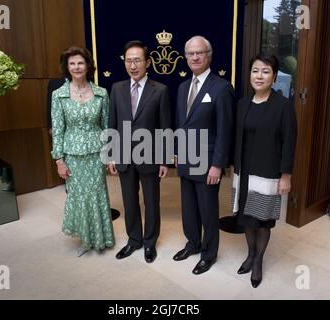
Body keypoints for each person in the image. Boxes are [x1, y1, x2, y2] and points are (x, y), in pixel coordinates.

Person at [231, 53, 297, 288]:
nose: (259, 76)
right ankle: (250, 254)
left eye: (266, 71)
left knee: (262, 220)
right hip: (244, 171)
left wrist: (286, 175)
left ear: (275, 76)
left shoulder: (283, 106)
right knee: (247, 219)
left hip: (268, 172)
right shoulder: (242, 104)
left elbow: (289, 142)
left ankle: (258, 260)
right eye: (255, 71)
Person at [173, 36, 235, 275]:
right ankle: (193, 244)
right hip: (186, 159)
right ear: (186, 57)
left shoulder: (221, 87)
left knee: (208, 211)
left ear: (209, 55)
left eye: (200, 53)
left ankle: (209, 254)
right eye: (190, 53)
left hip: (208, 163)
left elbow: (224, 131)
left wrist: (218, 165)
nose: (195, 57)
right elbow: (181, 123)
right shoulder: (181, 88)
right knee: (188, 208)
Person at [108, 40, 171, 263]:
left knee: (152, 202)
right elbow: (112, 123)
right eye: (128, 60)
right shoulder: (117, 88)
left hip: (150, 156)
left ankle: (150, 242)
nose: (133, 65)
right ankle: (134, 240)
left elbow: (165, 128)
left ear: (147, 62)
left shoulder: (160, 90)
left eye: (137, 60)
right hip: (124, 155)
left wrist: (165, 160)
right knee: (129, 201)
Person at [51, 46, 115, 257]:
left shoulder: (101, 93)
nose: (77, 67)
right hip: (72, 156)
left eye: (80, 62)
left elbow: (107, 127)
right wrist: (59, 160)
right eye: (72, 63)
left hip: (96, 155)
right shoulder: (58, 95)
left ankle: (101, 238)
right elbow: (58, 130)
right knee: (79, 196)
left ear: (88, 65)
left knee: (97, 194)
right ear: (67, 67)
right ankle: (87, 240)